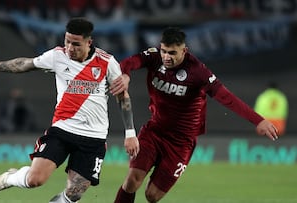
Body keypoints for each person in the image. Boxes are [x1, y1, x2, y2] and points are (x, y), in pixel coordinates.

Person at [0, 17, 139, 203]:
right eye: (67, 41)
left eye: (76, 44)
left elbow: (123, 98)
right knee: (35, 180)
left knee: (73, 194)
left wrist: (130, 133)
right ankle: (9, 178)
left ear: (89, 42)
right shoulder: (57, 56)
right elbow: (25, 64)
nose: (70, 47)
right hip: (62, 130)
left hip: (94, 138)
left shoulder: (107, 63)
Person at [109, 27, 279, 203]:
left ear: (184, 51)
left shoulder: (198, 72)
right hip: (154, 131)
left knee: (152, 196)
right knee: (132, 181)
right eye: (164, 51)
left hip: (181, 142)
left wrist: (258, 121)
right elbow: (129, 62)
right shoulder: (154, 57)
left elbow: (227, 98)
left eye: (172, 53)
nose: (167, 57)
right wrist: (126, 75)